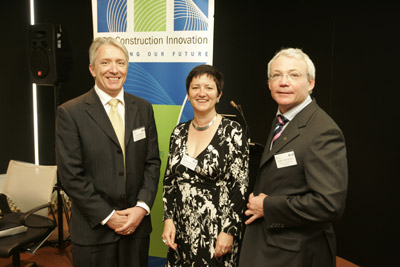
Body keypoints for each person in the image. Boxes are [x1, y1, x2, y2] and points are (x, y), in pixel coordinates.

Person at [55, 37, 161, 267]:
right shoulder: (70, 113)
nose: (114, 69)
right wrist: (108, 216)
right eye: (105, 63)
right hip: (94, 231)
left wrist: (141, 208)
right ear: (92, 69)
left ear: (127, 68)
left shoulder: (143, 108)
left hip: (136, 228)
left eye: (120, 63)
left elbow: (152, 162)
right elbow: (71, 175)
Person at [239, 48, 348, 267]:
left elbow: (329, 204)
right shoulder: (282, 118)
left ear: (311, 83)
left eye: (294, 75)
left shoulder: (323, 131)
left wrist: (268, 206)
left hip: (296, 255)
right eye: (276, 75)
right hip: (271, 247)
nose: (283, 82)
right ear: (269, 83)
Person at [162, 64, 249, 266]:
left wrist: (229, 231)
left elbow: (240, 186)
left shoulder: (232, 132)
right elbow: (169, 181)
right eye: (195, 87)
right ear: (188, 94)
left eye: (209, 88)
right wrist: (168, 219)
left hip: (216, 231)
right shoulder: (178, 133)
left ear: (219, 95)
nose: (202, 93)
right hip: (181, 231)